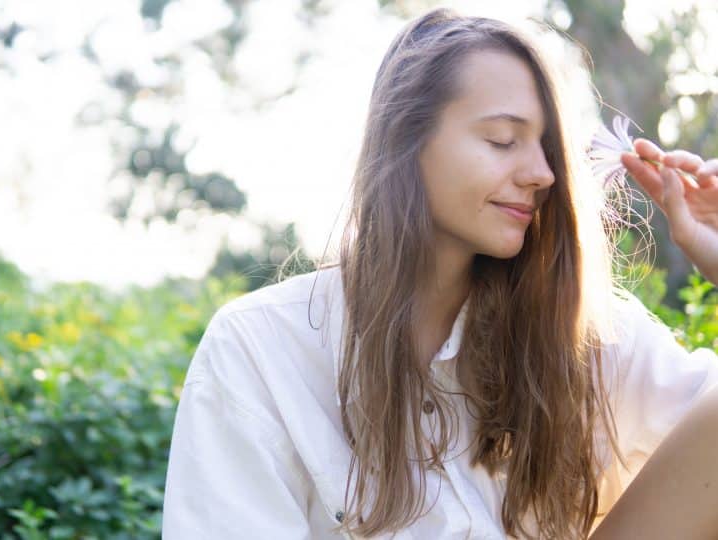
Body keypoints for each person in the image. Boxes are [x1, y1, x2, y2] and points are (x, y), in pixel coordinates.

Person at [162, 8, 718, 540]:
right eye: (503, 140)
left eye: (546, 148)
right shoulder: (260, 354)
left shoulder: (588, 338)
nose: (543, 174)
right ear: (409, 141)